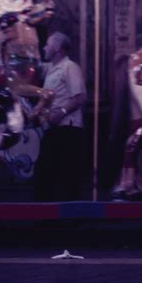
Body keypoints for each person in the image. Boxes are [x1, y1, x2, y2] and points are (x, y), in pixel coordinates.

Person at [32, 31, 87, 201]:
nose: (44, 47)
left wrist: (61, 112)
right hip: (53, 128)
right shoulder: (51, 70)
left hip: (67, 129)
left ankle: (68, 218)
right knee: (46, 173)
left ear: (56, 48)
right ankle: (46, 215)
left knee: (65, 176)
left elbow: (80, 97)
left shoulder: (70, 67)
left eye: (47, 45)